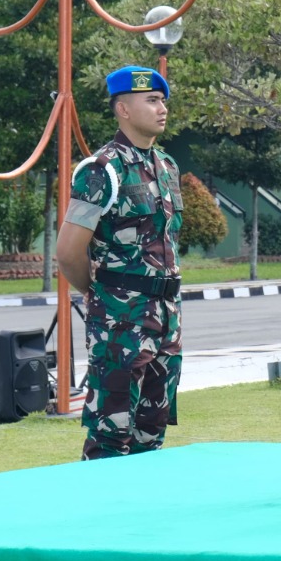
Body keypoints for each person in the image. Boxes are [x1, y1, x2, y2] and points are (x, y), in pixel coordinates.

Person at [57, 65, 184, 461]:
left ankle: (143, 517)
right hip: (120, 320)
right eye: (151, 100)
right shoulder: (102, 170)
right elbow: (68, 251)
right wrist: (102, 298)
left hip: (166, 317)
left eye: (162, 100)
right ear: (123, 109)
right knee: (111, 434)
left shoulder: (166, 167)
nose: (161, 108)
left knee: (152, 431)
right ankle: (97, 517)